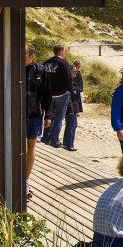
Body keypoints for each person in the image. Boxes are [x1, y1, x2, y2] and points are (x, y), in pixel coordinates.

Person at [23, 44, 51, 197]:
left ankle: (25, 180)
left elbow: (47, 94)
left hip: (34, 115)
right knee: (20, 148)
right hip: (17, 115)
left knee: (30, 147)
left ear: (31, 56)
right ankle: (18, 179)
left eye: (23, 54)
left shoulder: (40, 70)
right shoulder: (14, 68)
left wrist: (48, 115)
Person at [41, 45, 73, 147]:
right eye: (64, 51)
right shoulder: (63, 63)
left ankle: (45, 137)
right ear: (61, 51)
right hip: (61, 94)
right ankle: (55, 140)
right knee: (59, 118)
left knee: (48, 116)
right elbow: (68, 78)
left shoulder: (46, 63)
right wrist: (69, 89)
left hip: (48, 94)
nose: (65, 53)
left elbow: (41, 77)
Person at [63, 59, 84, 150]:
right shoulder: (68, 84)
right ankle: (69, 145)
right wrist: (71, 109)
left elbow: (78, 99)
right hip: (71, 109)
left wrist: (80, 109)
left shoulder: (74, 83)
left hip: (75, 108)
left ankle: (68, 143)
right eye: (74, 71)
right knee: (71, 126)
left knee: (73, 125)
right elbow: (69, 98)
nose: (76, 73)